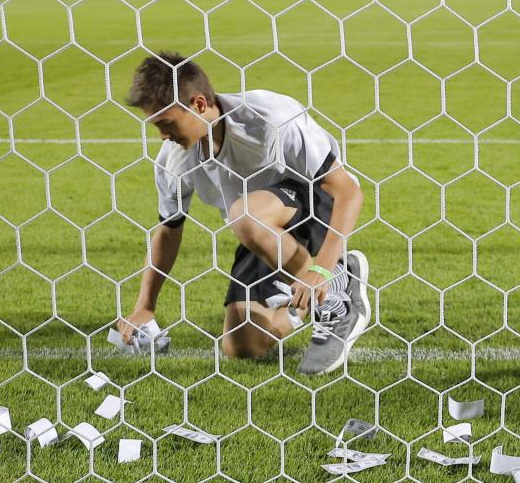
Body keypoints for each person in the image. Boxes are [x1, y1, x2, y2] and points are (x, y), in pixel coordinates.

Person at [119, 52, 371, 375]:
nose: (163, 136)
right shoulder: (174, 160)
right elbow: (169, 230)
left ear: (198, 104)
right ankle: (307, 299)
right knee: (242, 344)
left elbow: (347, 191)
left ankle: (335, 295)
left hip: (313, 205)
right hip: (261, 232)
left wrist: (320, 269)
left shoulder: (270, 118)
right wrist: (145, 306)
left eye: (166, 123)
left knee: (244, 216)